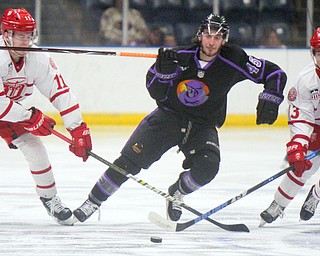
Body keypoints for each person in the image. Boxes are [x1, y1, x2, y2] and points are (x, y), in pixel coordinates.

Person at [72, 14, 287, 223]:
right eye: (208, 36)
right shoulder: (178, 55)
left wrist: (272, 96)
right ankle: (93, 201)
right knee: (127, 163)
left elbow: (275, 74)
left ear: (224, 40)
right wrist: (162, 72)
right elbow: (155, 91)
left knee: (208, 167)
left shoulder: (235, 59)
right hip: (168, 118)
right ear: (200, 35)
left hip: (203, 125)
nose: (212, 42)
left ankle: (177, 192)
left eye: (217, 38)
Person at [0, 8, 92, 225]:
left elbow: (59, 91)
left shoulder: (37, 57)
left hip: (8, 112)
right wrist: (30, 117)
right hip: (7, 108)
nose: (25, 41)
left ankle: (50, 199)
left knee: (35, 148)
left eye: (28, 35)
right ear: (5, 34)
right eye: (19, 35)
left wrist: (77, 127)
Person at [259, 27, 320, 226]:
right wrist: (298, 147)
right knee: (301, 168)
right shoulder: (305, 81)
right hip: (315, 129)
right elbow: (302, 117)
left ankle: (316, 195)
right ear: (312, 53)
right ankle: (278, 204)